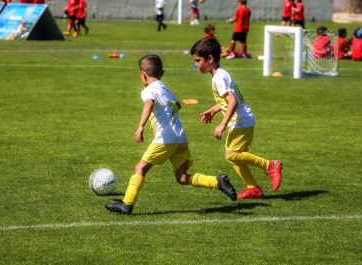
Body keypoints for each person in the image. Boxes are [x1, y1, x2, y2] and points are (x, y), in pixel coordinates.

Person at [105, 54, 238, 215]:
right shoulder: (164, 88)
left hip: (165, 139)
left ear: (143, 74)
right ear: (162, 73)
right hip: (180, 137)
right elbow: (178, 105)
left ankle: (127, 203)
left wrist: (141, 126)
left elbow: (149, 103)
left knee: (140, 168)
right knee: (181, 177)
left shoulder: (149, 90)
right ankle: (217, 182)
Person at [190, 38, 282, 199]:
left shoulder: (219, 77)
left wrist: (222, 124)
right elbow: (227, 101)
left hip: (241, 120)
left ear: (210, 59)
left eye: (198, 61)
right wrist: (213, 110)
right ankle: (253, 188)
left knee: (231, 155)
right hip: (242, 119)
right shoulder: (220, 74)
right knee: (233, 156)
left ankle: (270, 165)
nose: (196, 65)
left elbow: (232, 101)